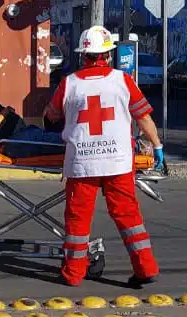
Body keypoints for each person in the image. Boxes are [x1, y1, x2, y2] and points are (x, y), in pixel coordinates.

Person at [46, 25, 165, 288]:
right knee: (129, 217)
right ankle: (145, 268)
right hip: (118, 161)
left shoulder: (69, 83)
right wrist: (156, 145)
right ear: (108, 55)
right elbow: (143, 117)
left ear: (83, 55)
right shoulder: (123, 81)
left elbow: (52, 115)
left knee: (78, 220)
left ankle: (73, 274)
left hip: (82, 163)